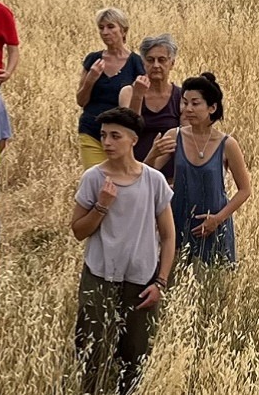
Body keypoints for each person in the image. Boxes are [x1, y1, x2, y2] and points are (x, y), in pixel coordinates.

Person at [70, 107, 174, 395]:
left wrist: (160, 282)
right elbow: (78, 230)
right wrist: (101, 205)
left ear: (133, 140)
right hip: (99, 275)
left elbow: (168, 237)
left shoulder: (153, 180)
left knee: (135, 355)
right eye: (104, 135)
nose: (107, 142)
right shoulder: (93, 178)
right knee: (91, 350)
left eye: (115, 136)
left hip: (141, 280)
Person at [145, 73, 251, 265]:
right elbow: (145, 175)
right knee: (175, 276)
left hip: (214, 225)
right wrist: (152, 153)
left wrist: (217, 219)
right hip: (178, 221)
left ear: (212, 108)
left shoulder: (227, 144)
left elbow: (245, 190)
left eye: (195, 103)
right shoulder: (174, 136)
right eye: (184, 103)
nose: (188, 109)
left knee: (213, 278)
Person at [75, 7, 145, 169]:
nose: (105, 32)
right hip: (91, 131)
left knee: (119, 179)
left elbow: (139, 106)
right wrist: (91, 79)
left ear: (123, 30)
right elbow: (81, 101)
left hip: (120, 135)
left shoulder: (136, 63)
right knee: (96, 178)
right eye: (101, 28)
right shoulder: (93, 60)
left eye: (110, 27)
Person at [118, 34, 182, 180]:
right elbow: (128, 131)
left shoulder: (181, 96)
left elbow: (187, 136)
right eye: (150, 60)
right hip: (134, 174)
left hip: (171, 178)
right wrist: (138, 96)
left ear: (172, 63)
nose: (156, 65)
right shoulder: (128, 92)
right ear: (143, 63)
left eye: (162, 60)